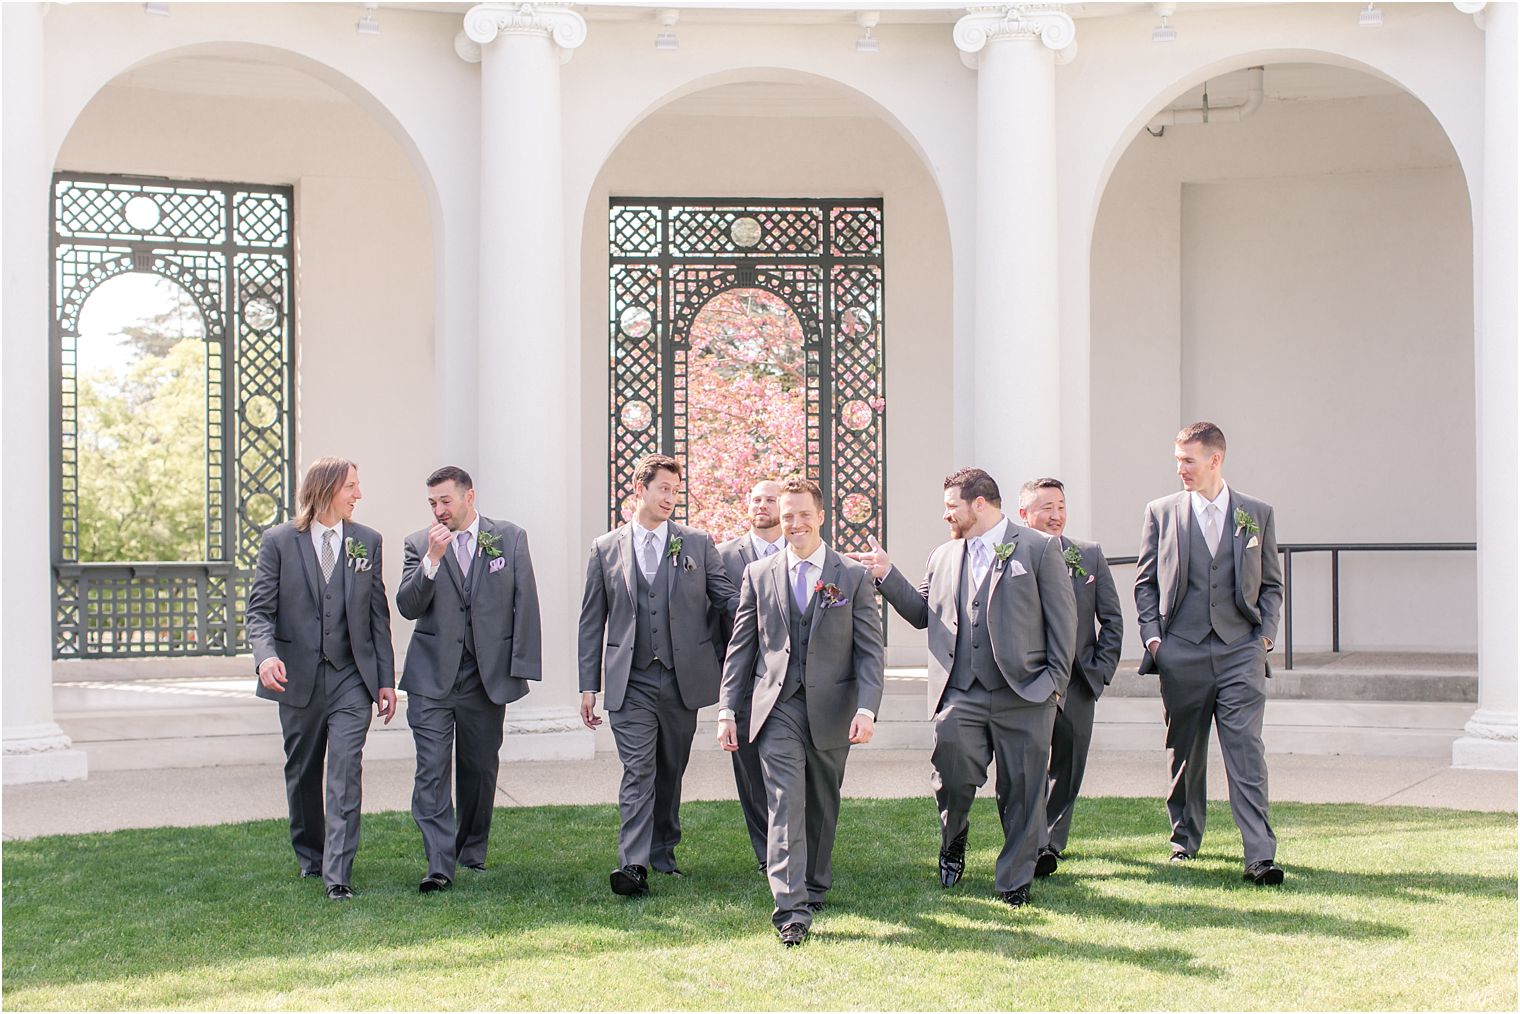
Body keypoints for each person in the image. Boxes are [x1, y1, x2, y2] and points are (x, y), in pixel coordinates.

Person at [850, 467, 1074, 909]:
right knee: (950, 776)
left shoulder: (1038, 549)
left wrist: (1053, 688)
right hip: (961, 693)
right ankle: (953, 841)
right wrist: (887, 573)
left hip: (1025, 694)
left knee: (1024, 789)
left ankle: (1014, 879)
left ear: (979, 504)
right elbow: (922, 614)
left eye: (951, 505)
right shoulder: (943, 557)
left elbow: (1063, 625)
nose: (945, 514)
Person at [717, 477, 883, 946]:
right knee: (784, 802)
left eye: (802, 514)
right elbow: (741, 647)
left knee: (822, 804)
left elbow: (870, 651)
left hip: (833, 708)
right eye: (787, 515)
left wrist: (867, 709)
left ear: (821, 515)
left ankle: (814, 884)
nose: (794, 523)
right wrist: (728, 708)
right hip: (777, 707)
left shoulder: (849, 574)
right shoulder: (759, 573)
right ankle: (791, 909)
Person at [577, 453, 739, 897]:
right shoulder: (605, 548)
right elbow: (593, 620)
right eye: (663, 488)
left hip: (683, 678)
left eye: (675, 489)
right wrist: (588, 685)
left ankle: (664, 848)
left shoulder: (696, 543)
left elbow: (726, 599)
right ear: (640, 489)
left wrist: (767, 602)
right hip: (630, 679)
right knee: (638, 769)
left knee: (671, 768)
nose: (670, 497)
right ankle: (633, 864)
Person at [1135, 422, 1285, 885]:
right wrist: (1155, 641)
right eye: (1178, 460)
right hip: (1182, 650)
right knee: (1185, 752)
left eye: (1188, 460)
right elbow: (1146, 583)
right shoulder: (1161, 512)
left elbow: (1273, 585)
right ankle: (1184, 840)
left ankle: (1259, 855)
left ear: (1215, 460)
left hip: (1241, 648)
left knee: (1246, 751)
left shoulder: (1256, 513)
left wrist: (1263, 637)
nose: (1180, 468)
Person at [247, 456, 396, 900]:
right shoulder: (278, 542)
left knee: (346, 770)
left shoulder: (367, 541)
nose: (358, 494)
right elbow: (259, 612)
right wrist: (265, 658)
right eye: (351, 486)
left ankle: (338, 875)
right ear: (327, 489)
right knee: (303, 771)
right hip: (297, 679)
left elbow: (377, 616)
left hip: (351, 678)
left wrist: (385, 680)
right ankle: (311, 857)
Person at [396, 466, 542, 893]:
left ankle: (471, 851)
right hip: (431, 678)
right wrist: (431, 561)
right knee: (432, 770)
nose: (439, 511)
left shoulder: (509, 537)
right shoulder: (418, 544)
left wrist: (521, 668)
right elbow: (407, 606)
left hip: (485, 676)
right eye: (432, 503)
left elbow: (525, 602)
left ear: (469, 497)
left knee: (479, 768)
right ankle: (439, 865)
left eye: (445, 501)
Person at [1016, 477, 1123, 876]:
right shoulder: (1011, 556)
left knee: (1069, 766)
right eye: (1046, 507)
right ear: (1023, 513)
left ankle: (1051, 844)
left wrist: (1098, 673)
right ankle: (1034, 841)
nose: (1055, 515)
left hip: (1078, 682)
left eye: (1060, 506)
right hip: (1028, 680)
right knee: (1027, 766)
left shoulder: (1088, 555)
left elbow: (1111, 619)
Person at [711, 479, 785, 873]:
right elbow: (715, 613)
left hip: (791, 680)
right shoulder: (722, 556)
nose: (762, 505)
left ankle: (791, 847)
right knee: (751, 774)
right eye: (756, 499)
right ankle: (766, 854)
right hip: (743, 680)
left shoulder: (803, 553)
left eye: (770, 500)